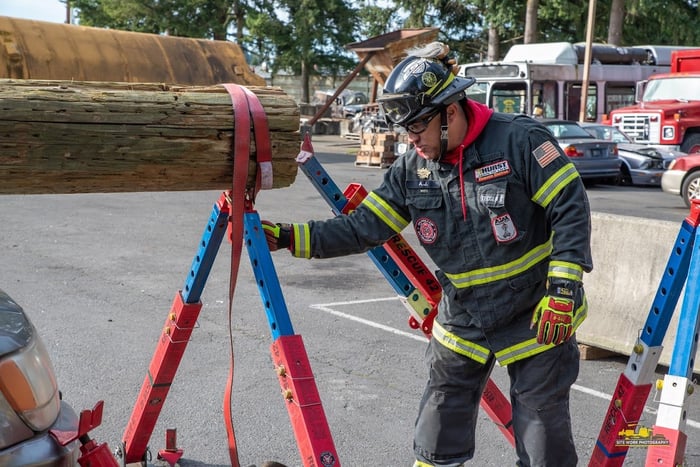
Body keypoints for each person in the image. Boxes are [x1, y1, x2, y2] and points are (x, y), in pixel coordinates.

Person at [262, 42, 592, 467]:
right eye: (405, 130)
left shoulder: (520, 142)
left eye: (417, 127)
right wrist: (290, 237)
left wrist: (563, 290)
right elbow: (363, 227)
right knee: (437, 427)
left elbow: (570, 208)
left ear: (450, 112)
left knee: (542, 435)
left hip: (536, 312)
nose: (411, 139)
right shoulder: (412, 169)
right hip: (463, 316)